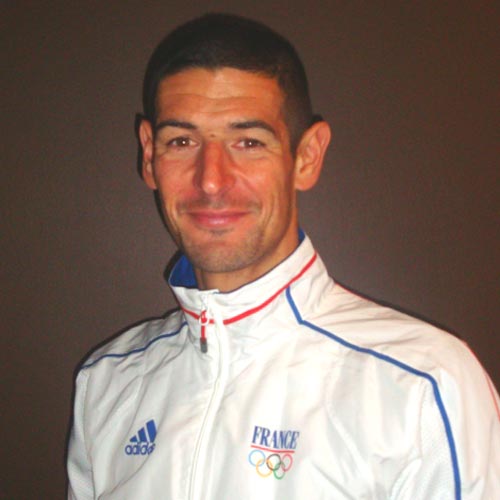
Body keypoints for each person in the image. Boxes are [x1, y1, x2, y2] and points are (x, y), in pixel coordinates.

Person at [67, 13, 499, 500]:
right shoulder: (107, 383)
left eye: (249, 142)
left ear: (306, 156)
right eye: (182, 142)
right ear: (149, 155)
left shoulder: (423, 386)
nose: (211, 179)